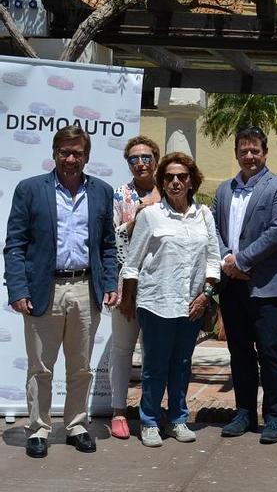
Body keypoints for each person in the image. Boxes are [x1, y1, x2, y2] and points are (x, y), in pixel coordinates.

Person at [3, 126, 118, 458]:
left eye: (77, 153)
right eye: (65, 152)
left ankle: (76, 425)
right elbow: (15, 245)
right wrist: (18, 288)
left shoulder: (101, 191)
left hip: (86, 287)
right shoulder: (30, 189)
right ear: (54, 153)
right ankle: (38, 428)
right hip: (44, 289)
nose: (71, 159)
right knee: (41, 366)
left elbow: (107, 245)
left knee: (81, 366)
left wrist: (110, 282)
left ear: (87, 156)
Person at [120, 152, 221, 448]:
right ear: (162, 182)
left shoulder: (204, 215)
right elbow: (132, 262)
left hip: (192, 304)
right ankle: (149, 421)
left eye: (182, 177)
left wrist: (206, 295)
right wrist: (128, 298)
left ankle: (178, 418)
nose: (175, 182)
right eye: (169, 177)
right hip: (156, 303)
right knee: (155, 366)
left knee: (182, 364)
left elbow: (213, 259)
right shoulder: (151, 215)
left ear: (192, 181)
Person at [213, 126, 277, 444]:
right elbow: (214, 230)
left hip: (265, 285)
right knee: (239, 350)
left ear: (265, 152)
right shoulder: (223, 190)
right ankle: (244, 411)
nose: (249, 156)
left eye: (255, 150)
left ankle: (274, 417)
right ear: (236, 153)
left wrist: (241, 261)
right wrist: (226, 262)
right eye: (243, 150)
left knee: (270, 352)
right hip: (232, 285)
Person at [108, 136, 161, 440]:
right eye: (133, 159)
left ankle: (150, 411)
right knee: (122, 349)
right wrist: (138, 215)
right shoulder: (119, 196)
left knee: (155, 351)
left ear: (156, 158)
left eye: (146, 157)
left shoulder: (169, 191)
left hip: (159, 285)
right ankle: (117, 411)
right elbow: (111, 239)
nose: (140, 163)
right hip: (127, 285)